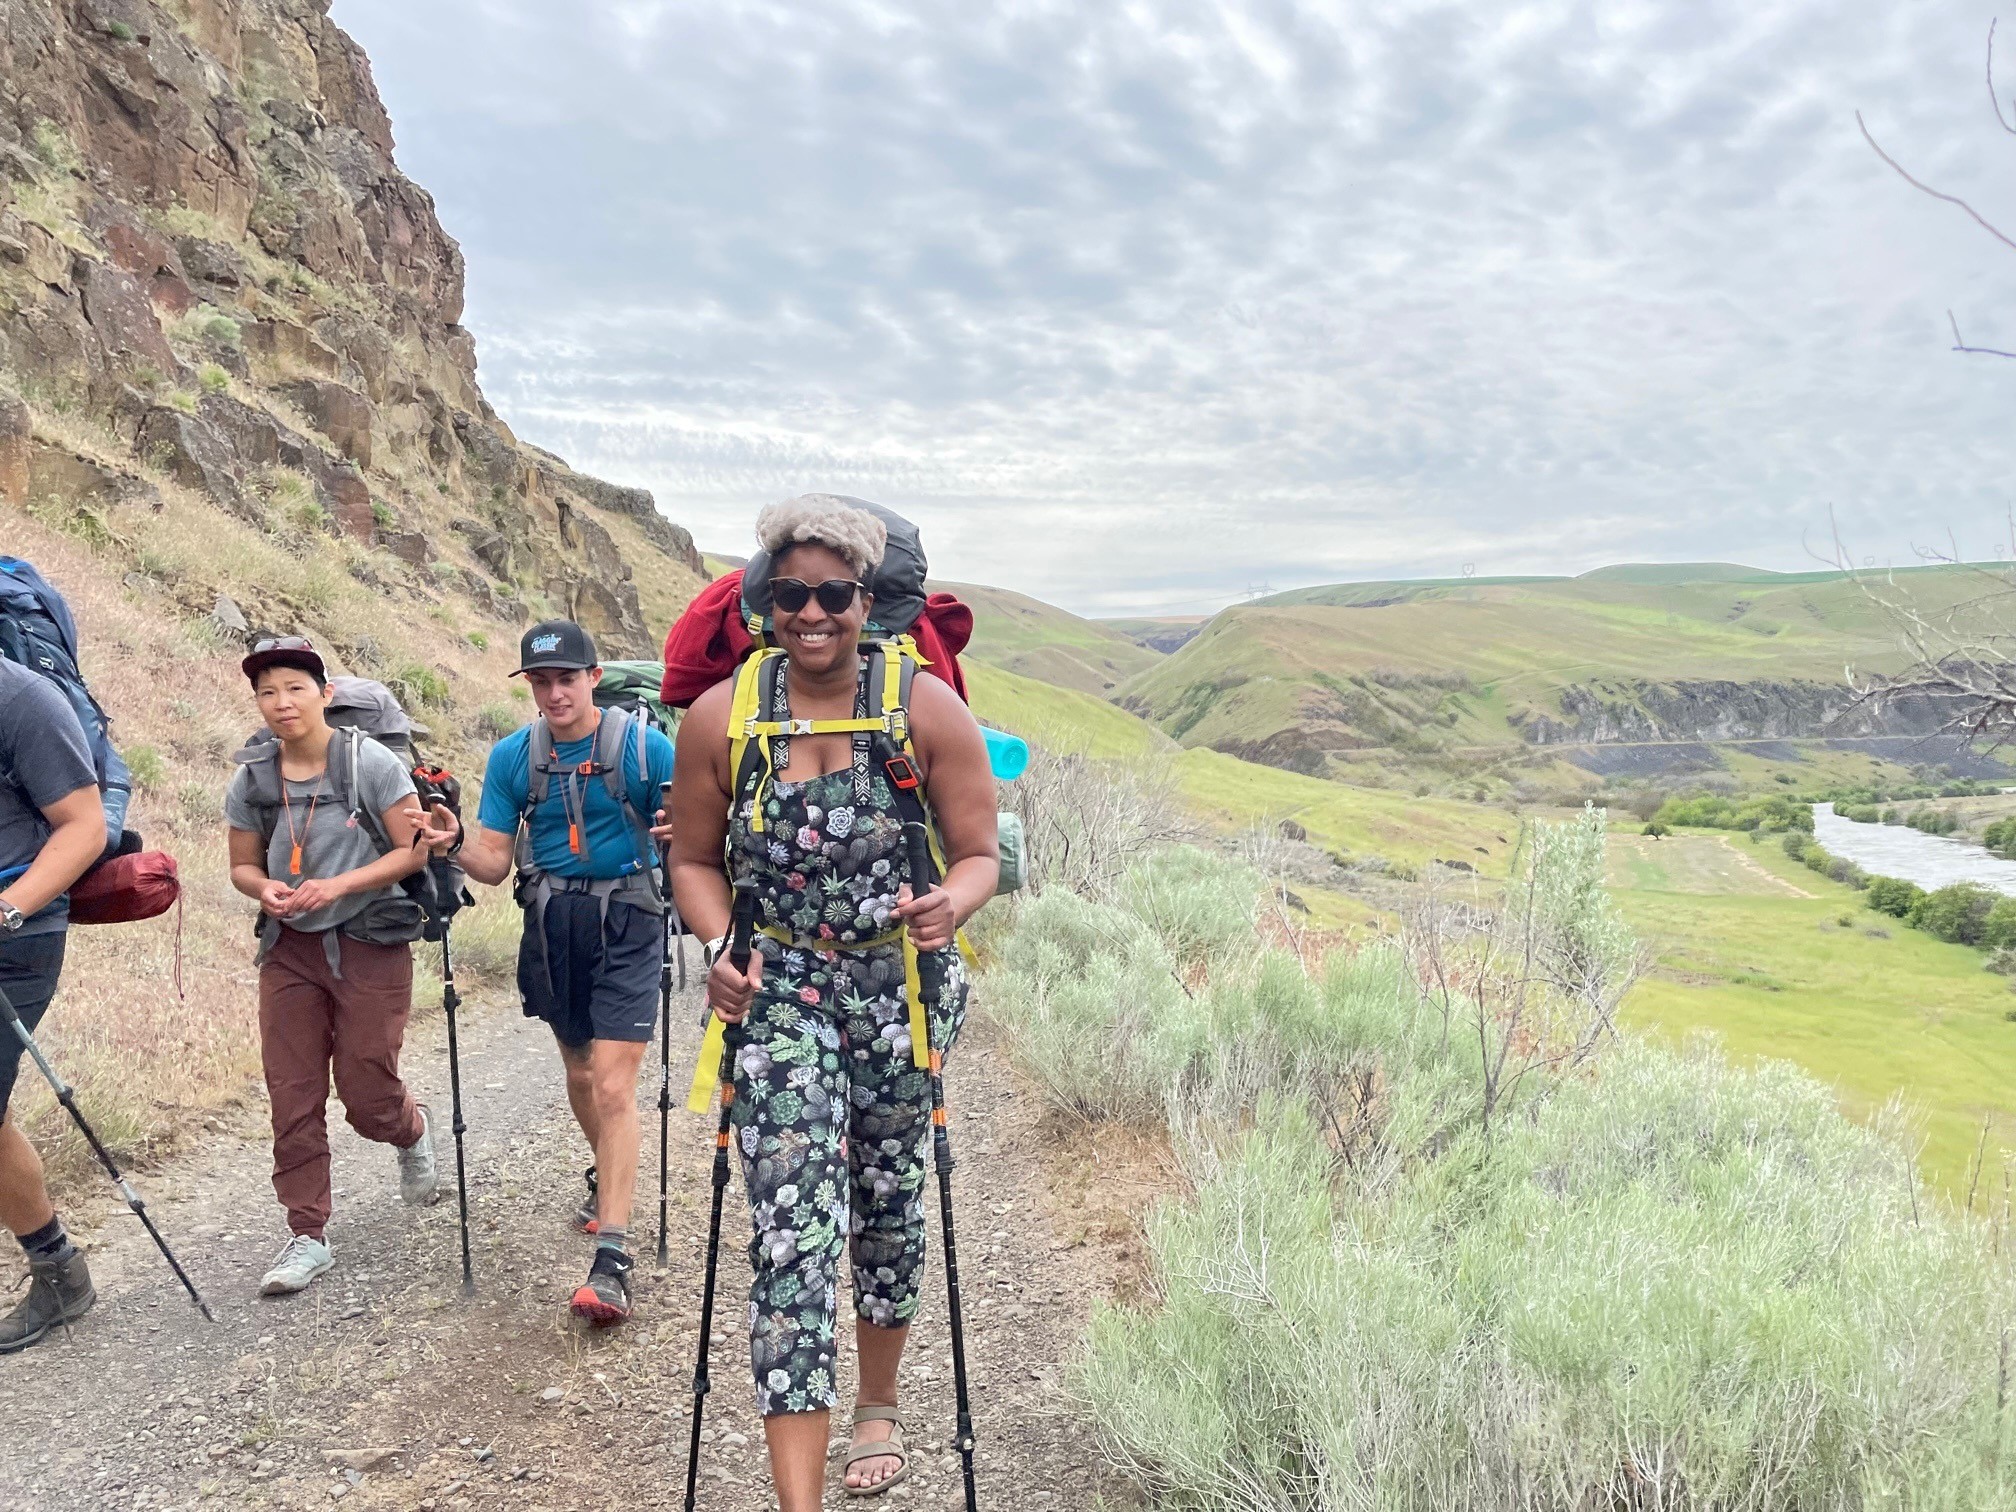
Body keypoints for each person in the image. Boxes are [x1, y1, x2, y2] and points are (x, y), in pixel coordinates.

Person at [666, 497, 1000, 1504]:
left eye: (834, 594)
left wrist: (953, 904)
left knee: (889, 1208)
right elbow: (691, 861)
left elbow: (979, 853)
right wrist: (721, 943)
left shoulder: (926, 708)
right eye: (791, 594)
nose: (812, 614)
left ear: (865, 600)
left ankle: (880, 1402)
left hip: (900, 989)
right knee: (791, 1238)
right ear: (765, 601)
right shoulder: (720, 716)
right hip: (779, 995)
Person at [422, 619, 675, 1324]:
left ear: (594, 678)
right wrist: (449, 845)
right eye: (541, 681)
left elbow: (692, 828)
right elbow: (496, 863)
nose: (555, 692)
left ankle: (613, 1261)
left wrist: (684, 834)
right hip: (553, 923)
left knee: (614, 1081)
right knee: (578, 1070)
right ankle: (611, 1177)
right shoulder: (514, 757)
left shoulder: (645, 746)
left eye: (567, 678)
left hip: (630, 917)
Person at [223, 636, 440, 1298]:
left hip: (368, 938)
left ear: (324, 695)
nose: (280, 702)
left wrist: (338, 887)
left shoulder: (367, 763)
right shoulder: (253, 777)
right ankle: (308, 1235)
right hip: (288, 948)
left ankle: (410, 1128)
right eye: (266, 691)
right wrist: (264, 890)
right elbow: (240, 865)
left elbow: (414, 852)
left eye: (293, 687)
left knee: (367, 1092)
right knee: (292, 1092)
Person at [0, 658, 107, 1352]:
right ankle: (58, 1266)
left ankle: (58, 1269)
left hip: (17, 934)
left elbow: (83, 826)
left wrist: (6, 909)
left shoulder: (22, 698)